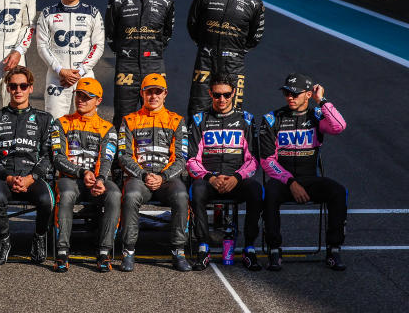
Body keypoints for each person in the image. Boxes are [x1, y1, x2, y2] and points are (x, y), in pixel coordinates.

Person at [260, 74, 347, 271]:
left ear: (308, 95)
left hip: (310, 180)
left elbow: (339, 126)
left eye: (294, 94)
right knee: (269, 193)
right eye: (286, 93)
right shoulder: (272, 119)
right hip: (282, 181)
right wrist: (291, 182)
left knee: (338, 192)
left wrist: (322, 101)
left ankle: (334, 250)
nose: (289, 97)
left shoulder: (317, 116)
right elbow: (266, 161)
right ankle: (274, 250)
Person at [0, 66, 66, 265]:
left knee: (47, 200)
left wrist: (32, 177)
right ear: (8, 88)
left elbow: (50, 155)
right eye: (13, 86)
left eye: (23, 85)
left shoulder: (45, 119)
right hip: (4, 176)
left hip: (32, 176)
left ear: (31, 88)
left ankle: (40, 238)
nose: (18, 90)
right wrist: (7, 176)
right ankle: (4, 241)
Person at [186, 74, 263, 271]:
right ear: (210, 93)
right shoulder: (198, 120)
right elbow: (191, 160)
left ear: (234, 94)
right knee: (196, 191)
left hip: (236, 179)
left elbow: (253, 160)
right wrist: (210, 177)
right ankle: (203, 247)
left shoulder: (246, 120)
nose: (222, 100)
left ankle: (249, 249)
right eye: (217, 95)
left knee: (257, 190)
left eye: (226, 95)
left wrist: (237, 177)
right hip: (209, 179)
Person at [118, 73, 191, 272]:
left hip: (167, 178)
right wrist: (143, 175)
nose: (153, 96)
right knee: (131, 195)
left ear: (165, 94)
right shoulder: (129, 120)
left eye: (157, 92)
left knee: (181, 195)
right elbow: (123, 155)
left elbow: (182, 157)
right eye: (149, 92)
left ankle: (178, 250)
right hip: (139, 178)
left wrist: (163, 176)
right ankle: (129, 251)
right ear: (142, 93)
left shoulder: (176, 120)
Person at [53, 77, 121, 272]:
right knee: (65, 194)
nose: (81, 100)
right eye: (79, 95)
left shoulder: (108, 128)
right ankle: (62, 252)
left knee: (114, 194)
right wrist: (81, 172)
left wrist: (100, 179)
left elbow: (106, 158)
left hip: (96, 180)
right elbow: (58, 158)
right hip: (70, 179)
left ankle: (104, 252)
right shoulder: (61, 123)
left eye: (87, 97)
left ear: (99, 100)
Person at [187, 0, 265, 117]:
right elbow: (192, 24)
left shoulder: (255, 3)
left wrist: (236, 52)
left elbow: (255, 36)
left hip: (233, 64)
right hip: (205, 60)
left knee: (231, 112)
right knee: (197, 109)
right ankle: (196, 142)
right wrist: (204, 46)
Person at [105, 0, 175, 135]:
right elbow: (111, 35)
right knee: (123, 115)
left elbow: (166, 35)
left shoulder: (165, 2)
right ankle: (120, 158)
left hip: (154, 64)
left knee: (155, 113)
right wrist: (125, 53)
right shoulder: (118, 1)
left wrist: (153, 52)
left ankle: (155, 156)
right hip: (126, 65)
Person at [36, 0, 105, 118]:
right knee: (55, 123)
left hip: (85, 76)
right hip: (57, 77)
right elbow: (42, 46)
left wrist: (80, 71)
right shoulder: (47, 14)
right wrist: (61, 70)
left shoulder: (93, 13)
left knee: (86, 122)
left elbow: (97, 46)